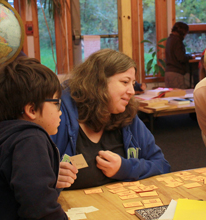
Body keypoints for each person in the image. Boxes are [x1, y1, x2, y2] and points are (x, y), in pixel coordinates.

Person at [0, 57, 102, 220]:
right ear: (32, 110)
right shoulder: (30, 138)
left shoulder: (4, 139)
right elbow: (37, 202)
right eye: (56, 103)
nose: (61, 112)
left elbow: (12, 198)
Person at [51, 49, 171, 190]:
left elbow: (162, 165)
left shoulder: (128, 116)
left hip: (118, 206)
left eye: (133, 83)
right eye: (125, 82)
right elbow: (30, 175)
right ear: (98, 83)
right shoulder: (59, 116)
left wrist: (125, 168)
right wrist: (51, 177)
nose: (132, 91)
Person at [165, 21, 193, 89]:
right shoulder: (177, 41)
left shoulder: (169, 39)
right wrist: (190, 56)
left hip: (168, 72)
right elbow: (181, 57)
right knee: (180, 96)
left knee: (171, 97)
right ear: (183, 32)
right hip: (176, 74)